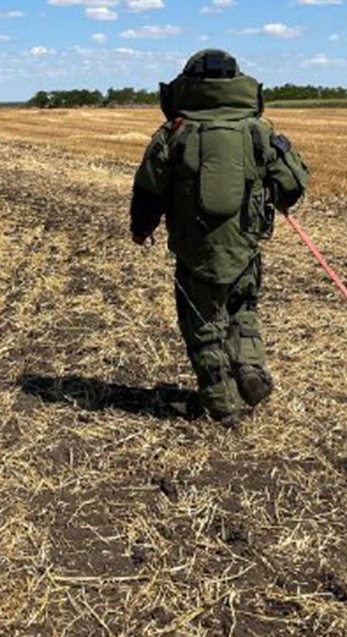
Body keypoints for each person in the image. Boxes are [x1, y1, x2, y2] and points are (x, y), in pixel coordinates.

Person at [129, 50, 310, 425]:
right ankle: (250, 369)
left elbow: (148, 188)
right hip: (245, 247)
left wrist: (141, 227)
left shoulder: (174, 133)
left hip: (195, 252)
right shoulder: (257, 131)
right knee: (242, 310)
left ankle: (223, 406)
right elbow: (292, 183)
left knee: (203, 326)